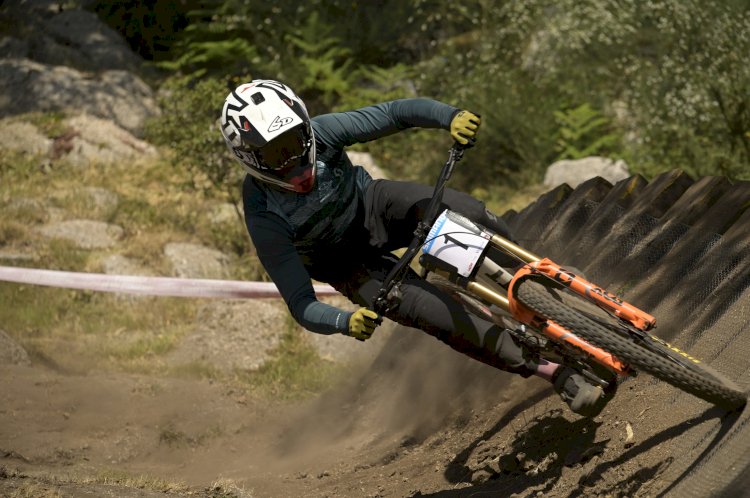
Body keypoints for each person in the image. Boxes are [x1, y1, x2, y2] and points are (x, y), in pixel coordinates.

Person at [219, 79, 609, 417]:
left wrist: (449, 116)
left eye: (295, 142)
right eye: (274, 155)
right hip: (345, 265)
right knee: (434, 314)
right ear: (248, 159)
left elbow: (397, 112)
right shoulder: (262, 212)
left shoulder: (324, 132)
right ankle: (554, 374)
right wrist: (343, 322)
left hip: (374, 208)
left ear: (306, 126)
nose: (293, 163)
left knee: (467, 212)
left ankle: (542, 285)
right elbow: (300, 302)